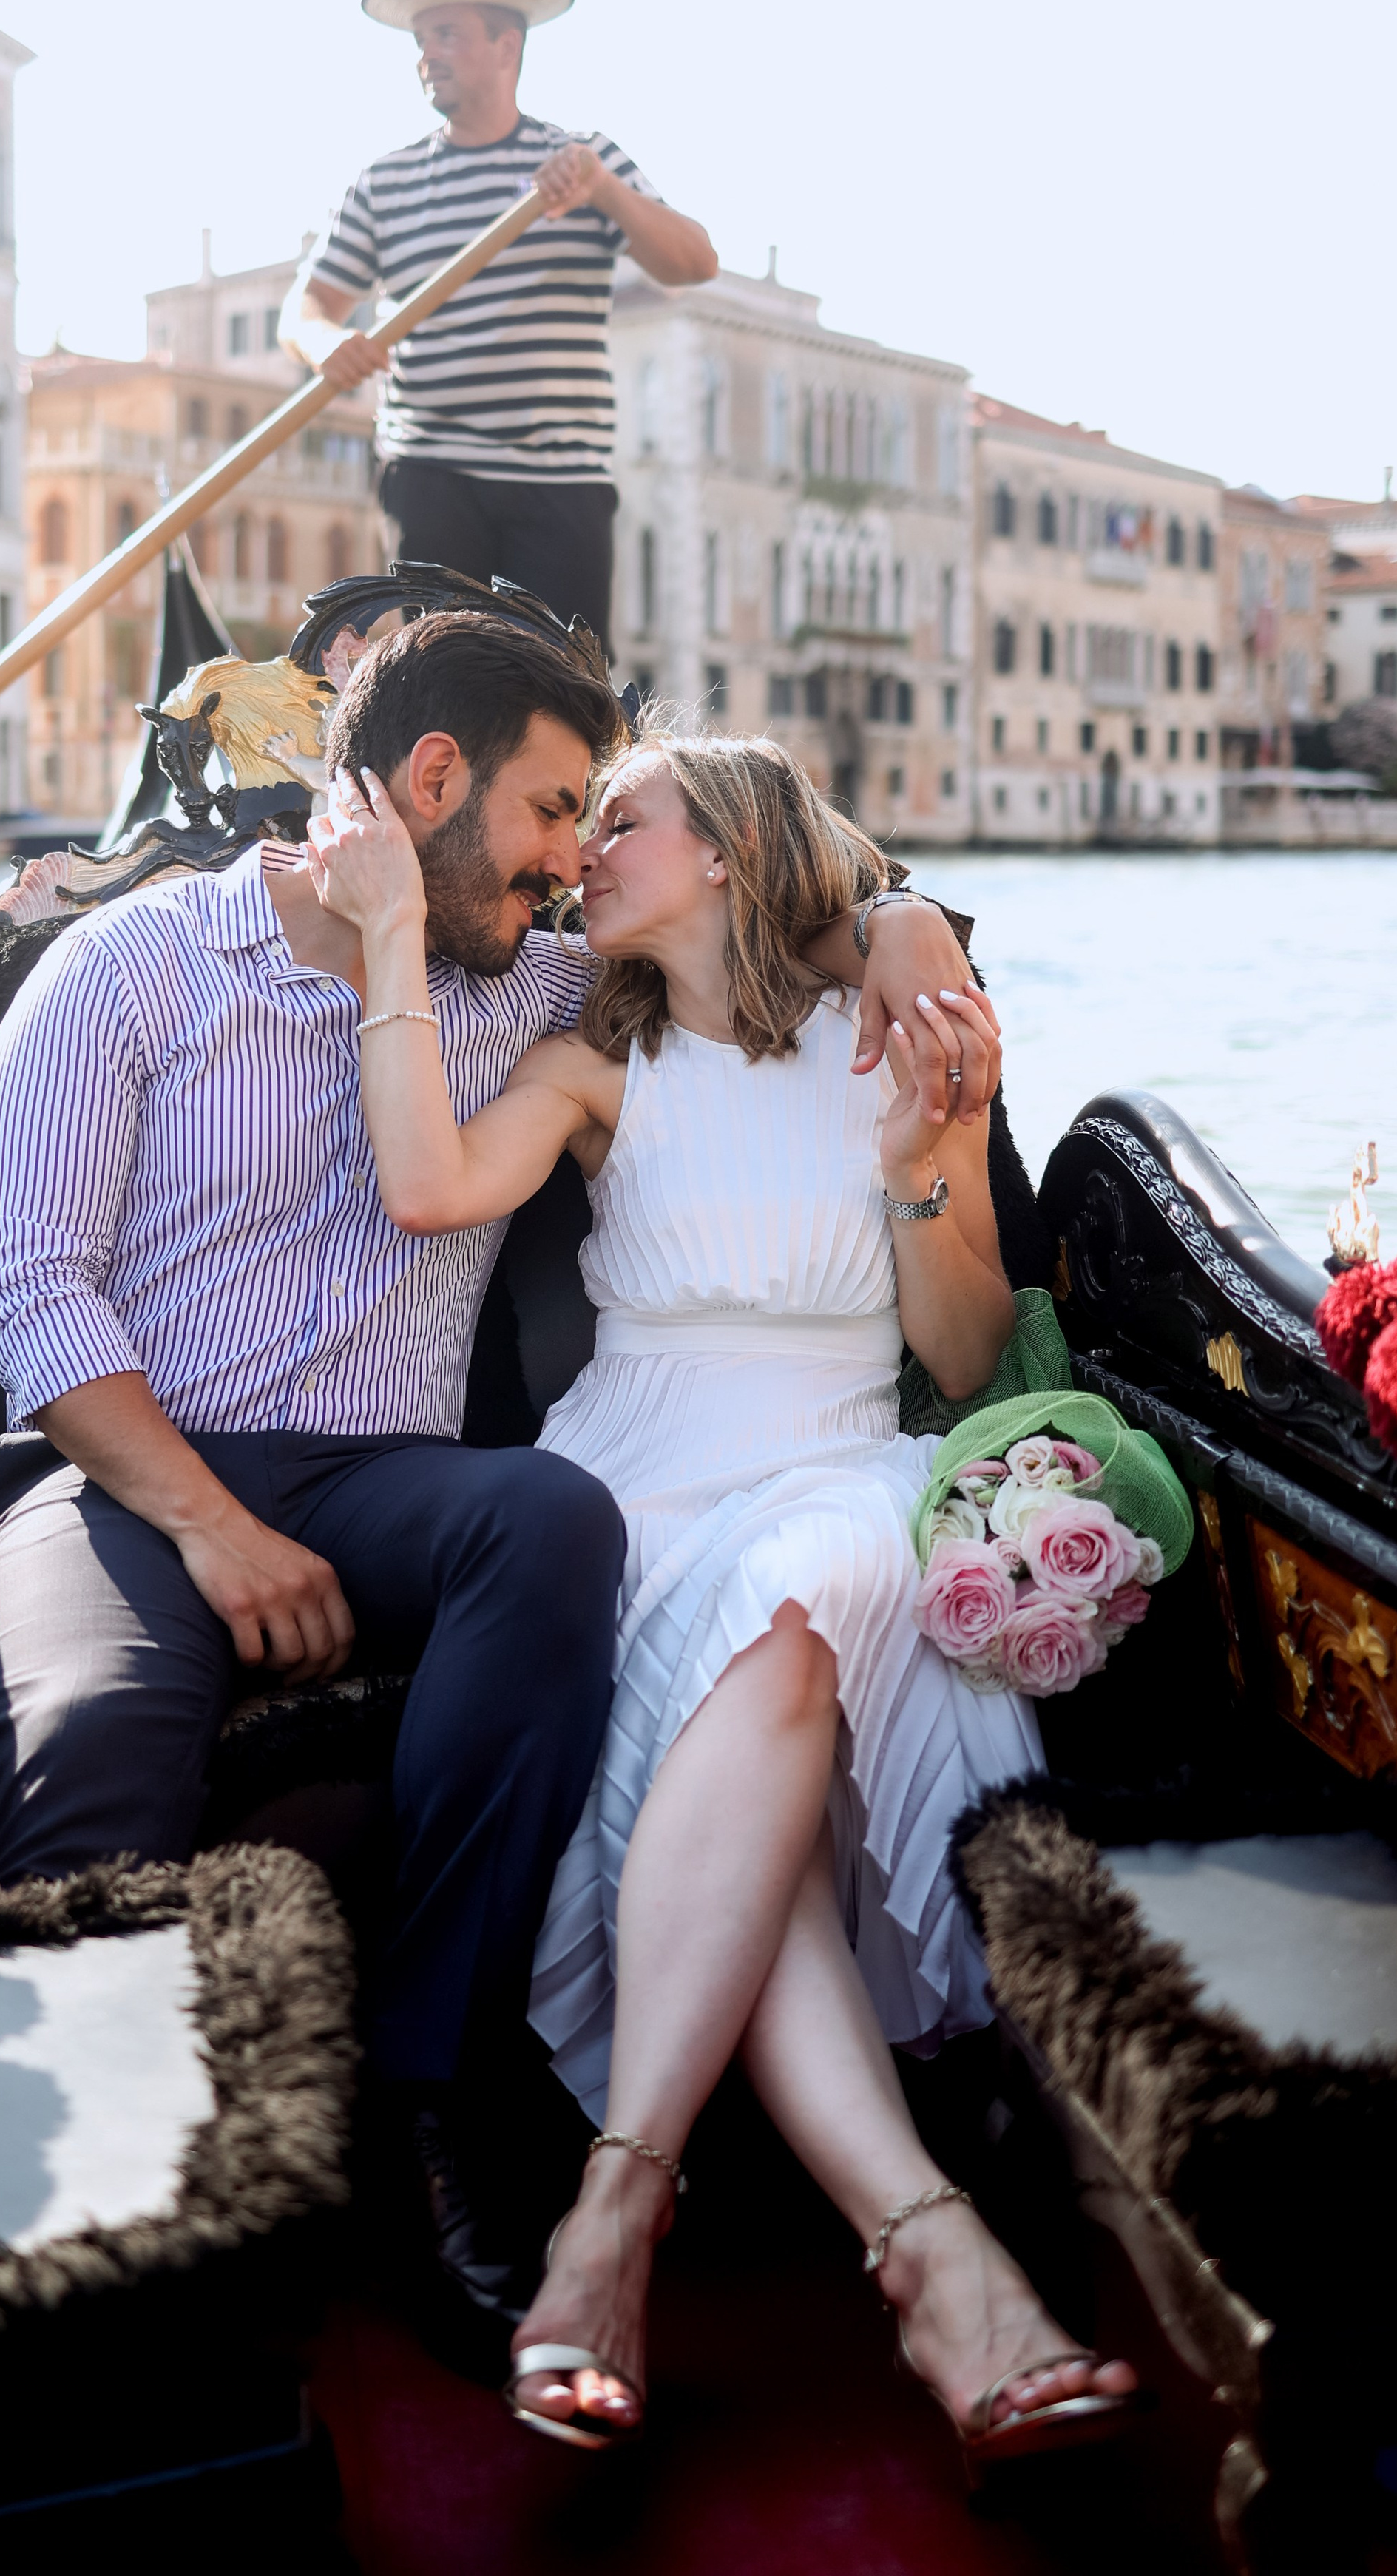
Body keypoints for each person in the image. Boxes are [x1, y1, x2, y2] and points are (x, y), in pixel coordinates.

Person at [0, 607, 991, 2353]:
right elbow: (23, 1286)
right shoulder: (126, 970)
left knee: (551, 1516)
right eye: (549, 807)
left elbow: (769, 924)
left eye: (596, 818)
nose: (573, 857)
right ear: (432, 779)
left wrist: (898, 919)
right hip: (122, 1471)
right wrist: (210, 1527)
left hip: (387, 1478)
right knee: (88, 1752)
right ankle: (71, 2257)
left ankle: (440, 2108)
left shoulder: (526, 973)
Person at [307, 731, 1140, 2472]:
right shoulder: (584, 1060)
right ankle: (930, 2256)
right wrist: (390, 936)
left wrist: (929, 1150)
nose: (583, 851)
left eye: (623, 821)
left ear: (738, 847)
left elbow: (966, 1356)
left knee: (799, 1600)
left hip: (838, 1458)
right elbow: (424, 1185)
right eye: (582, 821)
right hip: (631, 1485)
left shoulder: (886, 1042)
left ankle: (620, 2207)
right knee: (760, 1664)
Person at [282, 0, 716, 645]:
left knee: (562, 697)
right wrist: (327, 343)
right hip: (431, 473)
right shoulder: (384, 183)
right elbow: (305, 308)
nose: (428, 55)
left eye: (447, 34)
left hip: (560, 477)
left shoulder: (583, 161)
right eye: (421, 40)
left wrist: (603, 190)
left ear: (506, 45)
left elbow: (694, 262)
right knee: (444, 690)